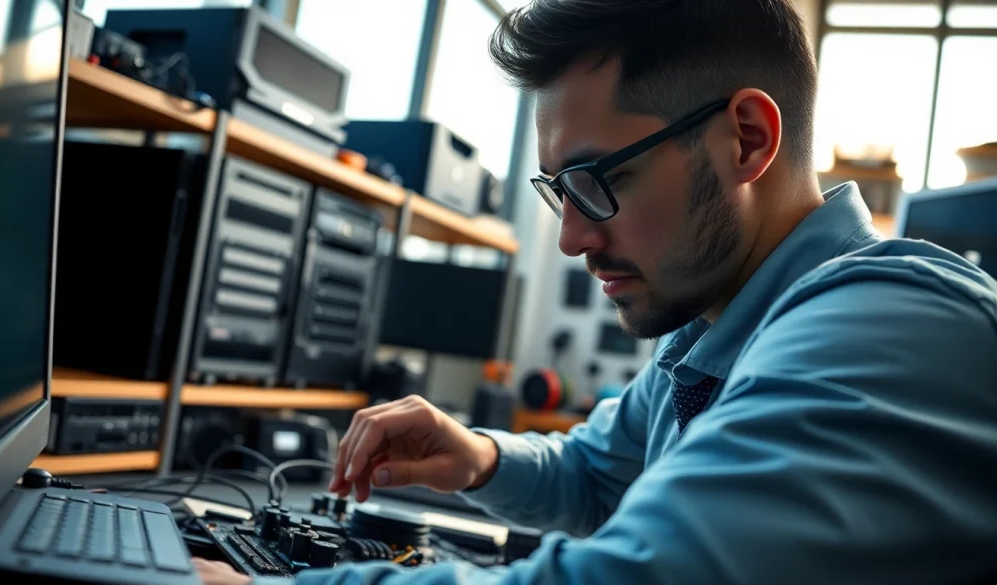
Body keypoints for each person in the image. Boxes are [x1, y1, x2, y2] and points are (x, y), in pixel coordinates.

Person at [194, 0, 997, 584]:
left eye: (598, 179)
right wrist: (477, 456)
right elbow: (598, 475)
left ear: (746, 140)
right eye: (558, 190)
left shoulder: (885, 322)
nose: (573, 238)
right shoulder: (711, 332)